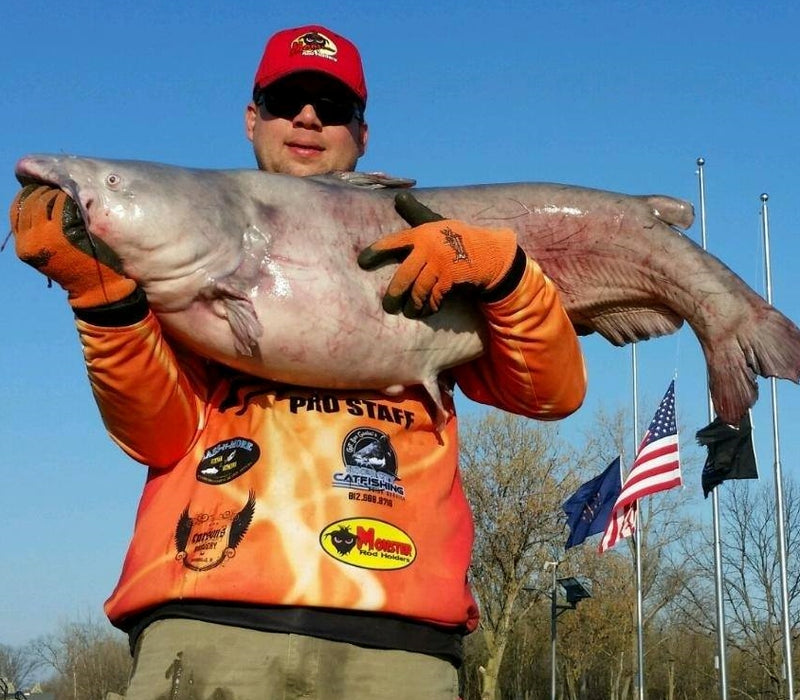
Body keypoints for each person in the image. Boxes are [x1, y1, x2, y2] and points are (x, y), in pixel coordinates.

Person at [10, 24, 587, 700]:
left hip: (396, 643)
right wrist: (104, 301)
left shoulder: (436, 253)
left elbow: (553, 393)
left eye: (332, 107)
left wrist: (509, 277)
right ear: (253, 119)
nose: (308, 118)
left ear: (363, 134)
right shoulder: (172, 274)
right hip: (208, 623)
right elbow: (157, 435)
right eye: (287, 101)